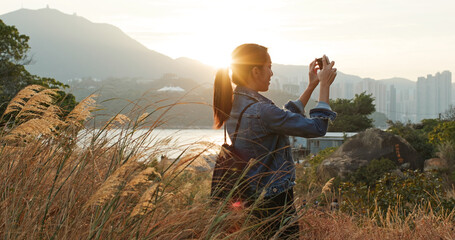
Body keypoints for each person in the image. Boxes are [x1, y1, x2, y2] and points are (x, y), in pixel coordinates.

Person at [212, 43, 337, 239]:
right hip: (274, 201)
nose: (271, 73)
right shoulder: (261, 110)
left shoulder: (234, 103)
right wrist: (324, 86)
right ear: (255, 71)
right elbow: (318, 128)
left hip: (251, 197)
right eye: (268, 67)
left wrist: (311, 85)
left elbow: (284, 118)